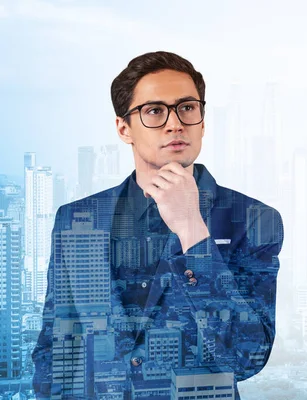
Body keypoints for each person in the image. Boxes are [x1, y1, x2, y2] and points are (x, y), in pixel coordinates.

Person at [31, 51, 284, 400]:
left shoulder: (255, 219)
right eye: (154, 111)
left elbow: (248, 356)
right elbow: (55, 345)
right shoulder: (76, 219)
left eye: (187, 108)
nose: (174, 123)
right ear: (124, 128)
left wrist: (193, 232)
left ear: (203, 122)